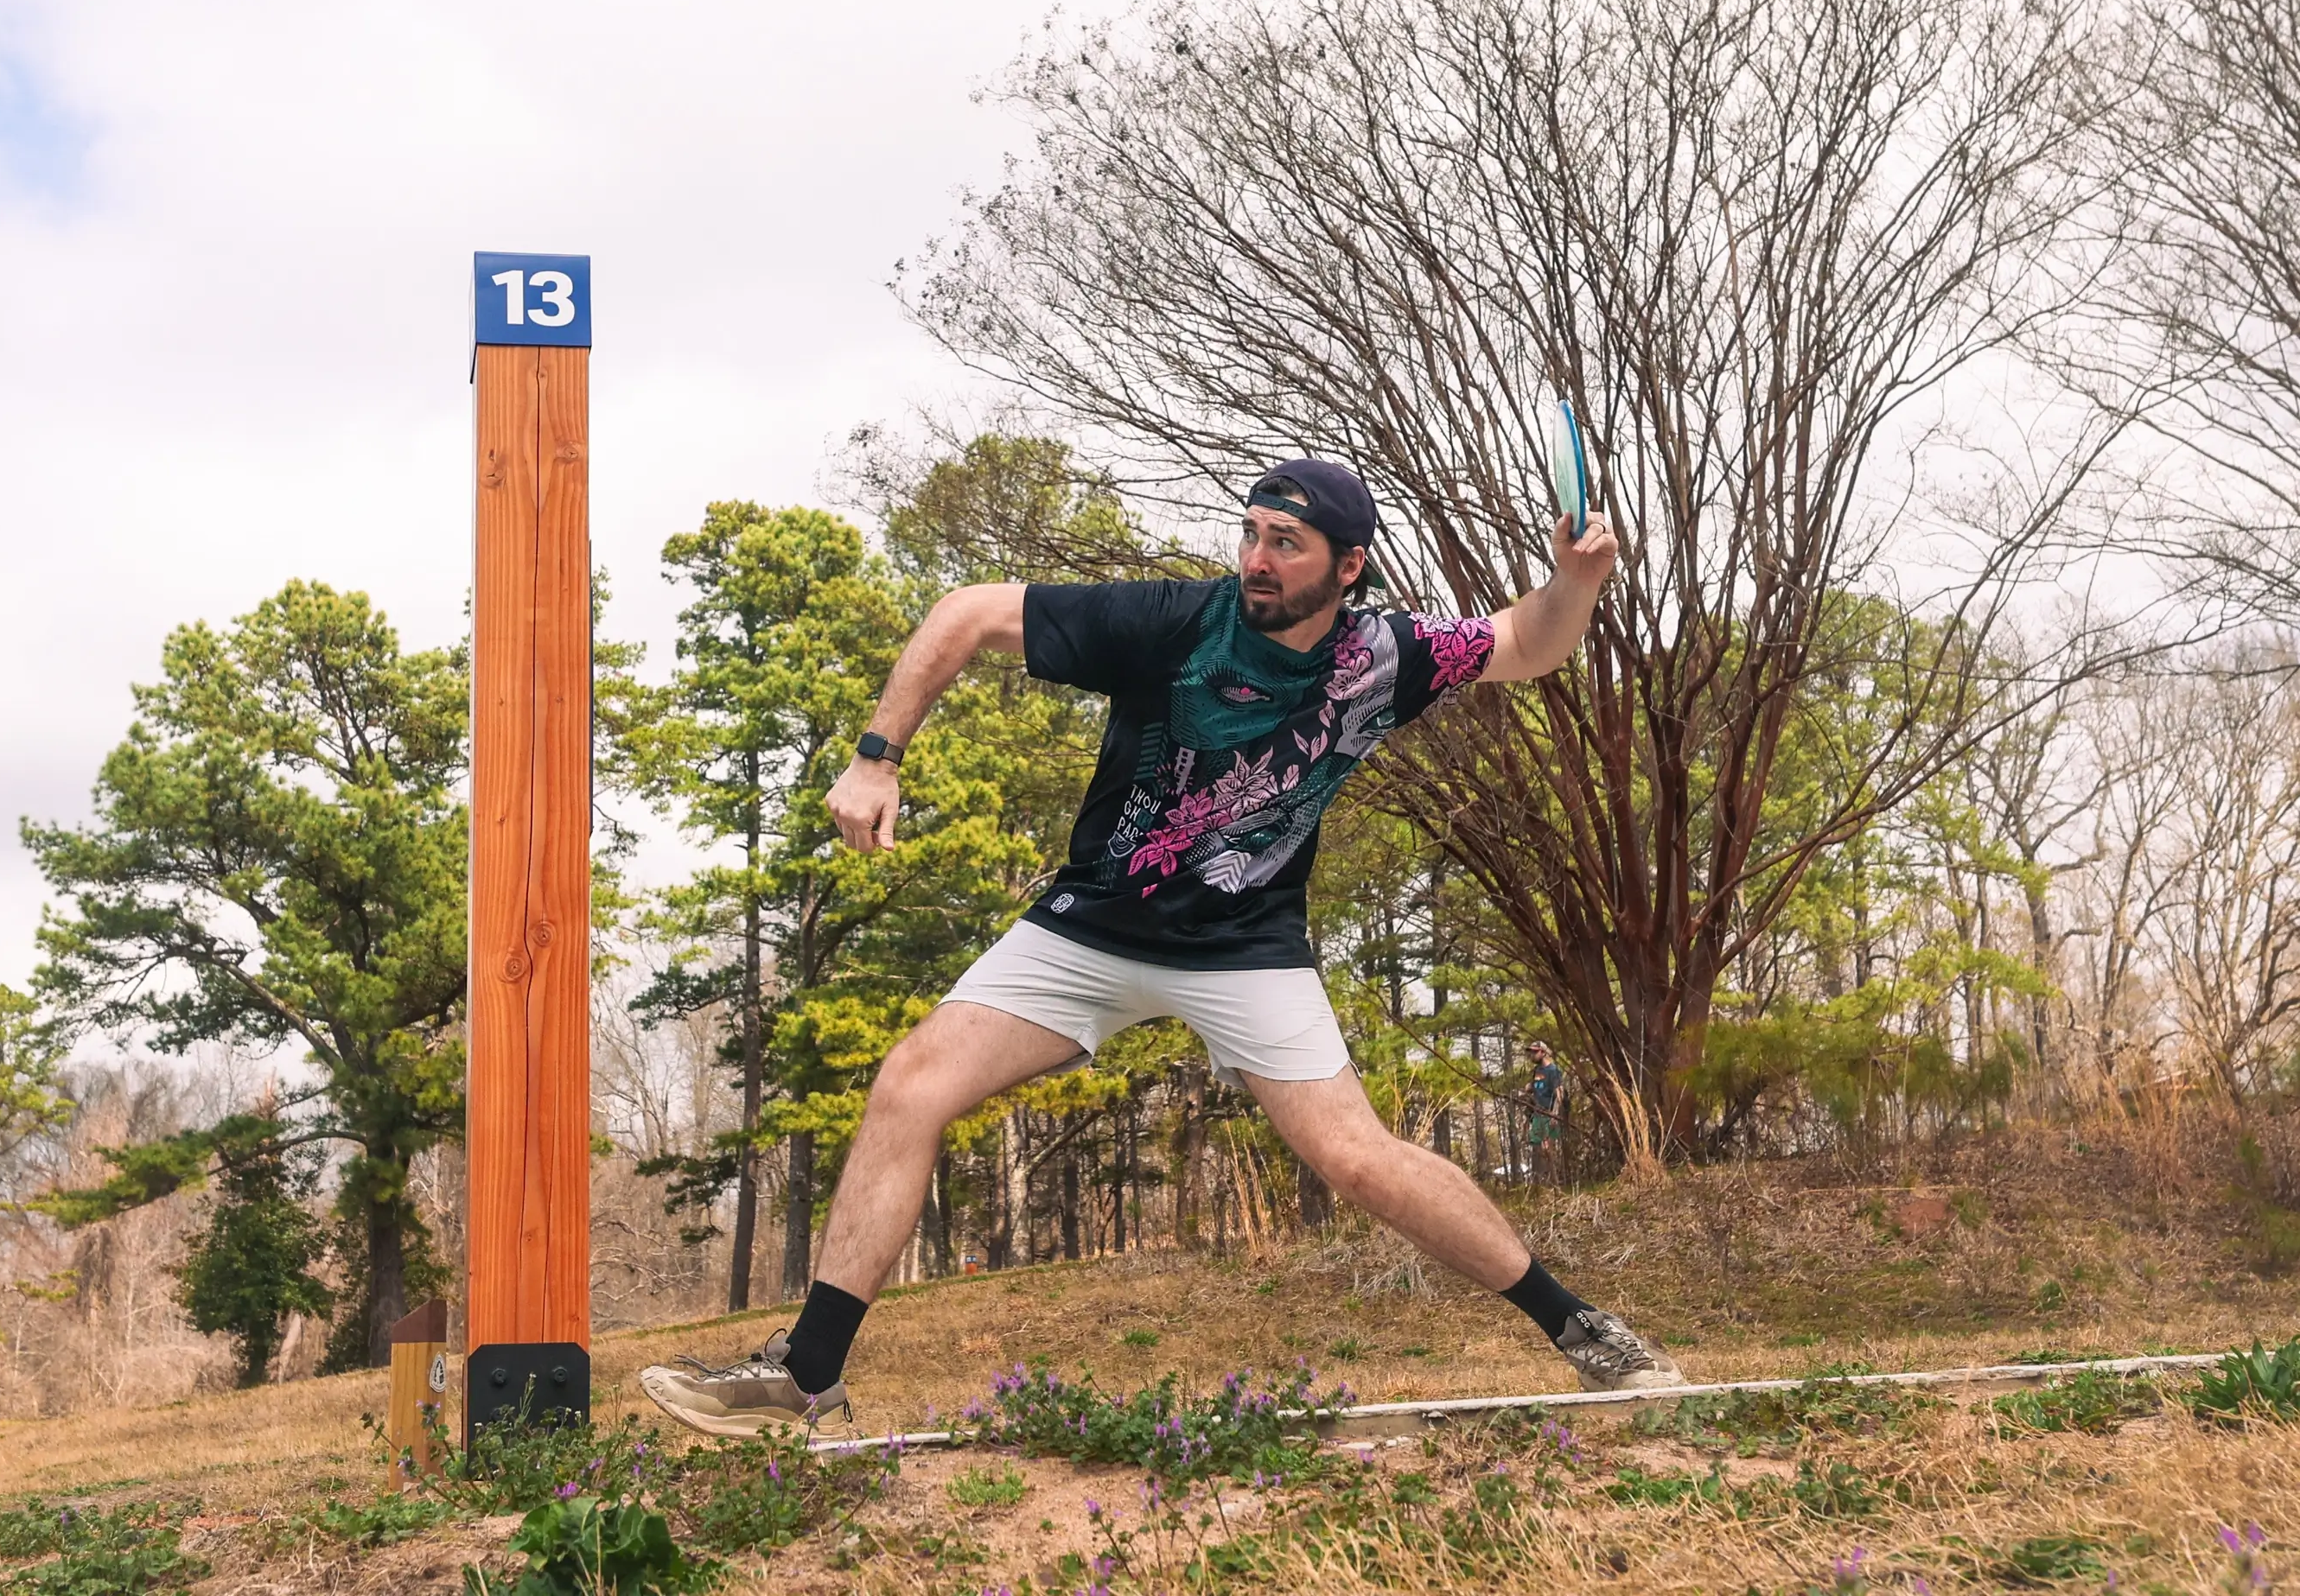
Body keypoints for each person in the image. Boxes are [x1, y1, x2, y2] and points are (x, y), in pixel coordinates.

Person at [639, 459, 1685, 1437]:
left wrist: (1575, 578)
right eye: (1252, 534)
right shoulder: (1170, 620)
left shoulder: (1386, 657)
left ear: (1349, 566)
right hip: (1090, 927)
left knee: (1359, 1159)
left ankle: (1585, 1331)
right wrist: (878, 756)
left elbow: (1532, 641)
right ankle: (806, 1369)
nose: (1258, 561)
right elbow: (964, 614)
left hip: (1247, 946)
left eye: (1288, 544)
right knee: (910, 1083)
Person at [1525, 1040, 1567, 1188]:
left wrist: (1554, 1115)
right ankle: (1543, 1184)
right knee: (1537, 1148)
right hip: (1537, 1114)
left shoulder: (1553, 1071)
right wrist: (1529, 1088)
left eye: (1535, 1052)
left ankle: (1555, 1183)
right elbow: (1536, 1088)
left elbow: (1559, 1094)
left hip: (1549, 1114)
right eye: (1531, 1052)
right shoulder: (1537, 1071)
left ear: (1543, 1052)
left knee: (1548, 1149)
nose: (1532, 1055)